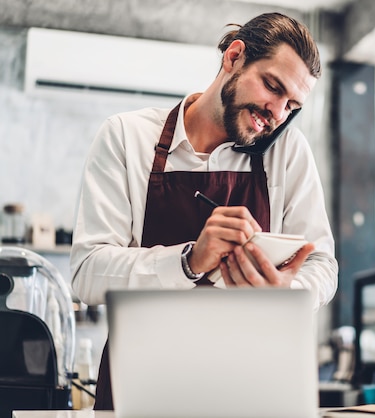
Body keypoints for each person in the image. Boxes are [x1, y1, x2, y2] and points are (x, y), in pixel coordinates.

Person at [69, 12, 338, 410]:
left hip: (250, 388)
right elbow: (86, 273)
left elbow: (322, 265)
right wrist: (189, 260)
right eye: (272, 86)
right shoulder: (127, 137)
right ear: (234, 57)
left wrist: (288, 294)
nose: (277, 114)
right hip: (141, 385)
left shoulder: (287, 152)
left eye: (292, 105)